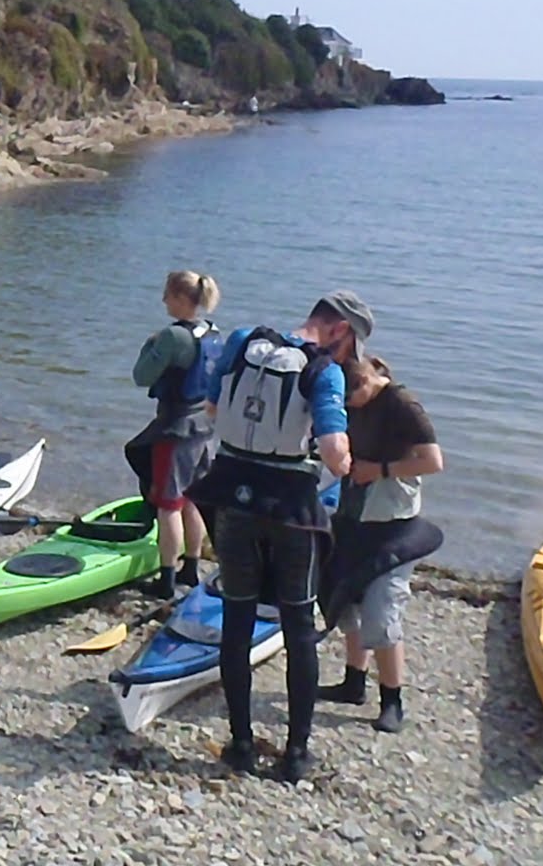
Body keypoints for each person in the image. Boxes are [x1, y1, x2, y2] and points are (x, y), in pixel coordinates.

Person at [187, 289, 374, 784]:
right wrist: (347, 463)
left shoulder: (245, 341)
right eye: (347, 343)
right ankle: (295, 754)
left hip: (233, 500)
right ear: (338, 330)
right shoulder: (323, 371)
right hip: (291, 511)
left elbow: (210, 407)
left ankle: (242, 744)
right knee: (298, 627)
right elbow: (335, 451)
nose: (343, 354)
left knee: (237, 618)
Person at [316, 354, 444, 733]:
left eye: (349, 400)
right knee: (345, 601)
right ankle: (354, 682)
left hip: (394, 522)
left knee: (382, 611)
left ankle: (392, 700)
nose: (346, 408)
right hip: (353, 514)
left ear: (367, 384)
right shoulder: (351, 400)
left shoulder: (403, 405)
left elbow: (433, 461)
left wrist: (381, 470)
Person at [125, 270, 224, 598]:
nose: (163, 300)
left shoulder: (173, 337)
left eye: (167, 294)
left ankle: (166, 581)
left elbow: (141, 376)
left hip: (177, 428)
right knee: (191, 498)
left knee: (168, 502)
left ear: (182, 300)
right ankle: (191, 569)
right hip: (206, 428)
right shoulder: (213, 332)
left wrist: (150, 344)